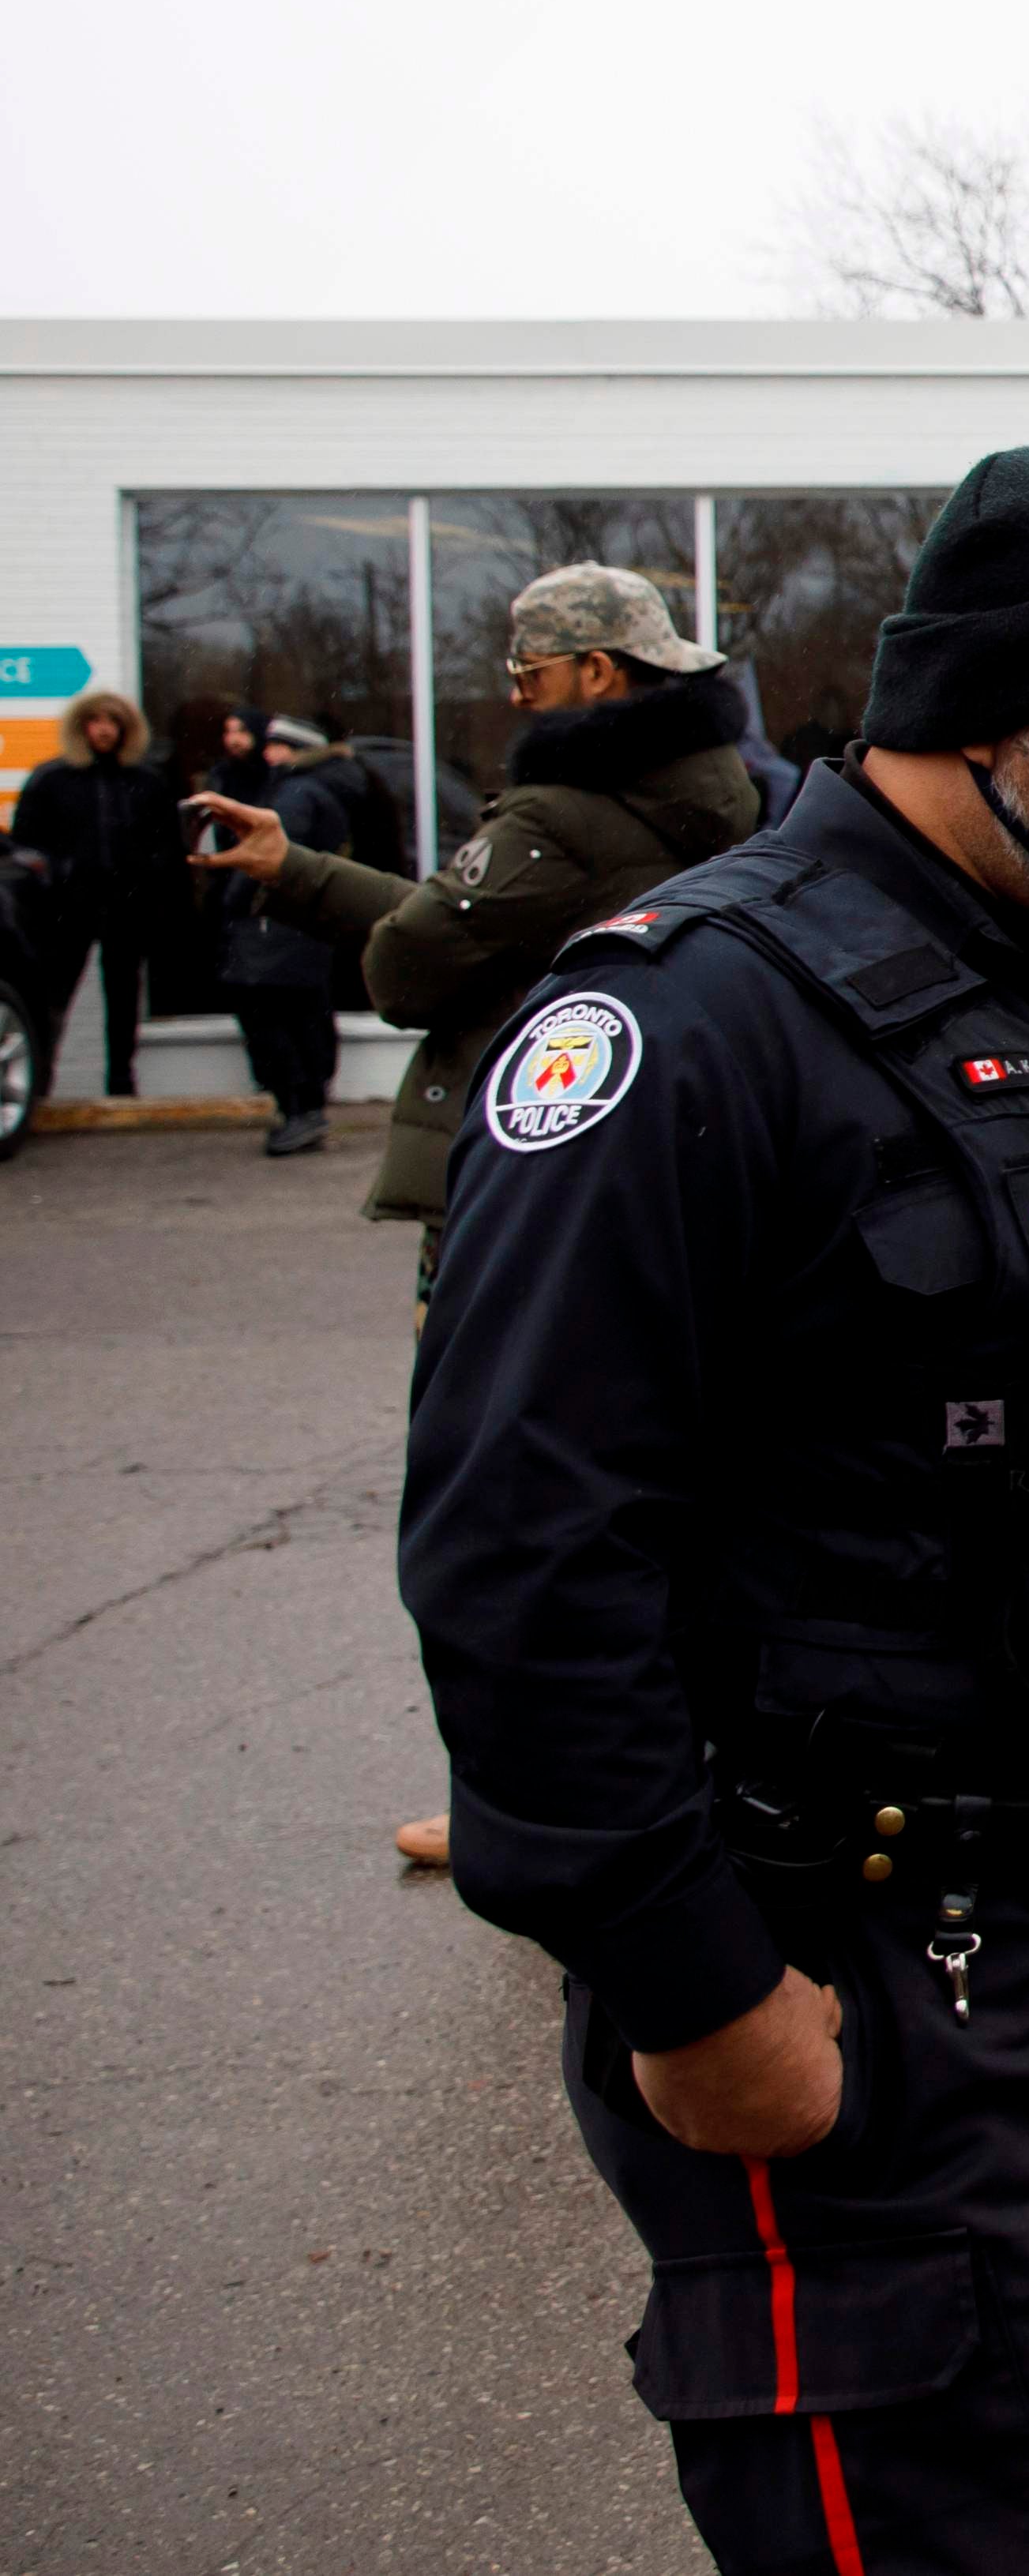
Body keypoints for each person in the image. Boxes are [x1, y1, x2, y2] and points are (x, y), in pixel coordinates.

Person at [398, 447, 1029, 2574]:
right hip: (874, 1991)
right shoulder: (690, 1020)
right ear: (994, 710)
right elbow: (523, 1552)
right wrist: (697, 1996)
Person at [189, 567, 771, 1870]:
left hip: (514, 1196)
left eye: (528, 673)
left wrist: (321, 887)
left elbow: (409, 961)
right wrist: (304, 869)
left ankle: (527, 1803)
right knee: (661, 1494)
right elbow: (468, 910)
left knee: (496, 1508)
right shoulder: (727, 795)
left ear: (598, 675)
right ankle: (692, 1773)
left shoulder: (556, 813)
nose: (512, 694)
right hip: (661, 1191)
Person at [10, 689, 174, 1100]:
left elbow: (168, 844)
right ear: (82, 726)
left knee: (124, 998)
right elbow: (25, 847)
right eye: (96, 720)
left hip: (127, 904)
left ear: (126, 728)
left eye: (113, 721)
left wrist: (149, 880)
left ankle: (122, 1082)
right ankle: (38, 1084)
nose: (104, 730)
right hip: (66, 908)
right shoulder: (52, 778)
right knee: (52, 996)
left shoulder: (147, 781)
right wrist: (59, 876)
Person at [220, 716, 363, 1154]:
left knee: (267, 1011)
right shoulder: (329, 787)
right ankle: (308, 1106)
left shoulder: (297, 792)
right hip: (306, 921)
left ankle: (298, 1108)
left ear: (299, 750)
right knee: (305, 1011)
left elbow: (273, 854)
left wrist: (235, 897)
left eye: (278, 746)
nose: (268, 754)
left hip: (276, 921)